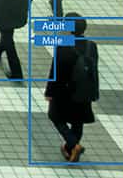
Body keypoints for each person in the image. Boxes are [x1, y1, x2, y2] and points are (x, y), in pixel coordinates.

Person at [44, 14, 98, 163]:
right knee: (77, 120)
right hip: (84, 90)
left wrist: (49, 92)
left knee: (54, 116)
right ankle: (70, 149)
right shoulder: (91, 46)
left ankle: (74, 145)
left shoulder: (63, 47)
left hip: (65, 91)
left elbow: (55, 72)